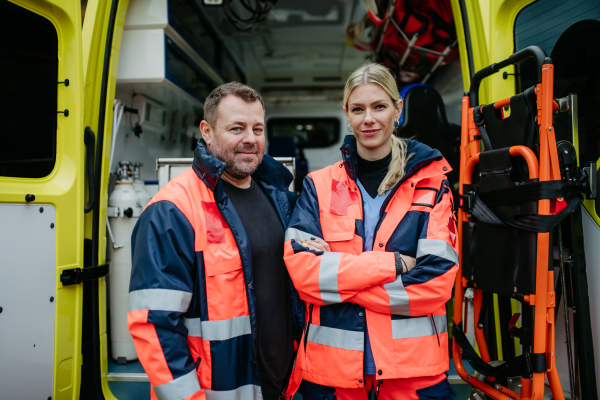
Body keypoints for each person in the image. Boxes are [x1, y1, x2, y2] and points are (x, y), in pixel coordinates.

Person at [283, 62, 458, 400]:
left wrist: (338, 283)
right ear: (346, 113)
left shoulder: (432, 185)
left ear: (397, 110)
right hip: (332, 375)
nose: (369, 119)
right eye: (358, 109)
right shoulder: (317, 186)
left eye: (379, 106)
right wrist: (392, 265)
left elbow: (435, 284)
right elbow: (303, 274)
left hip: (413, 376)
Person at [127, 82, 305, 400]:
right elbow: (154, 325)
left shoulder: (280, 199)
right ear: (207, 131)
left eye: (257, 128)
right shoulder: (171, 210)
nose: (250, 139)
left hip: (279, 388)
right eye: (237, 128)